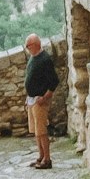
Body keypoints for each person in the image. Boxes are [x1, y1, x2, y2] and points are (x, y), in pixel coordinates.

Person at [23, 33, 59, 169]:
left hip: (39, 101)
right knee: (36, 131)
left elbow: (54, 82)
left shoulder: (45, 60)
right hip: (32, 99)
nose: (27, 48)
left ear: (35, 45)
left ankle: (47, 159)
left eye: (28, 46)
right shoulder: (33, 58)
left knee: (41, 130)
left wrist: (44, 98)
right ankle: (41, 155)